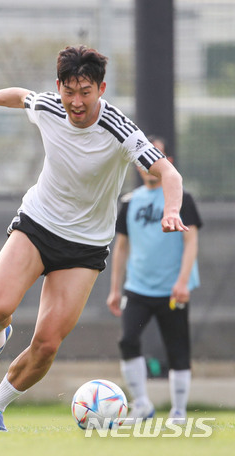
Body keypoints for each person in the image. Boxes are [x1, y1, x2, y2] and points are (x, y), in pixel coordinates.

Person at [0, 45, 187, 432]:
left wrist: (171, 211)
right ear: (59, 87)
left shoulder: (120, 129)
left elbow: (169, 175)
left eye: (85, 92)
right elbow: (20, 96)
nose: (76, 102)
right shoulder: (49, 106)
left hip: (85, 247)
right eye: (69, 91)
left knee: (47, 344)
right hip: (38, 225)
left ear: (101, 89)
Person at [107, 137, 201, 424]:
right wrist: (114, 289)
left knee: (177, 348)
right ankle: (142, 405)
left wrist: (183, 281)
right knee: (128, 341)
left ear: (167, 162)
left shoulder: (181, 197)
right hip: (137, 289)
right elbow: (121, 247)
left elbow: (191, 241)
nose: (148, 164)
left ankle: (179, 411)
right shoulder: (129, 201)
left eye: (155, 156)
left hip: (172, 290)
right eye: (143, 159)